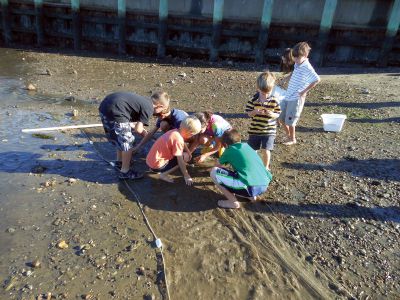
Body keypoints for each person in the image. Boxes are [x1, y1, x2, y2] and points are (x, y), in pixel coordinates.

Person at [99, 91, 169, 179]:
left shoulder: (144, 101)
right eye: (163, 110)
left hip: (105, 106)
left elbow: (133, 120)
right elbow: (138, 129)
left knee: (119, 138)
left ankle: (120, 161)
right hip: (117, 111)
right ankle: (125, 171)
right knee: (127, 141)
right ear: (160, 106)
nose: (160, 114)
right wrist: (149, 137)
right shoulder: (149, 108)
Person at [210, 129, 272, 209]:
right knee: (242, 171)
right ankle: (252, 197)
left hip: (249, 187)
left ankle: (233, 202)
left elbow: (218, 165)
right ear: (239, 139)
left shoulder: (230, 150)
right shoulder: (247, 146)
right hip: (264, 184)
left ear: (225, 145)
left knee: (214, 172)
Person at [279, 42, 321, 145]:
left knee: (291, 121)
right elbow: (294, 72)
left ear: (305, 55)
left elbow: (317, 79)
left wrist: (303, 91)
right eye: (294, 57)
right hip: (288, 95)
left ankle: (292, 139)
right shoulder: (298, 64)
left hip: (296, 98)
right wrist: (286, 79)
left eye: (297, 58)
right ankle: (289, 135)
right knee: (280, 117)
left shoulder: (307, 67)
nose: (295, 60)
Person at [146, 115, 201, 185]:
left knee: (186, 154)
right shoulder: (178, 140)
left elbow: (182, 142)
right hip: (157, 166)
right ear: (190, 133)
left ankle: (154, 169)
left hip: (150, 162)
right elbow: (180, 160)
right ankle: (163, 174)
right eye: (192, 135)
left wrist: (188, 152)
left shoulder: (175, 131)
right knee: (185, 158)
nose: (192, 136)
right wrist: (186, 175)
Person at [245, 71, 281, 170]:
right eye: (262, 93)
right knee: (253, 150)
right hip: (255, 129)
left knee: (266, 150)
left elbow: (278, 113)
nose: (265, 96)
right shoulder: (253, 100)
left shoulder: (274, 100)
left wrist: (272, 114)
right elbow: (248, 113)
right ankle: (253, 164)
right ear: (258, 89)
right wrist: (255, 112)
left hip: (269, 130)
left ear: (272, 89)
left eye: (267, 93)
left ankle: (265, 167)